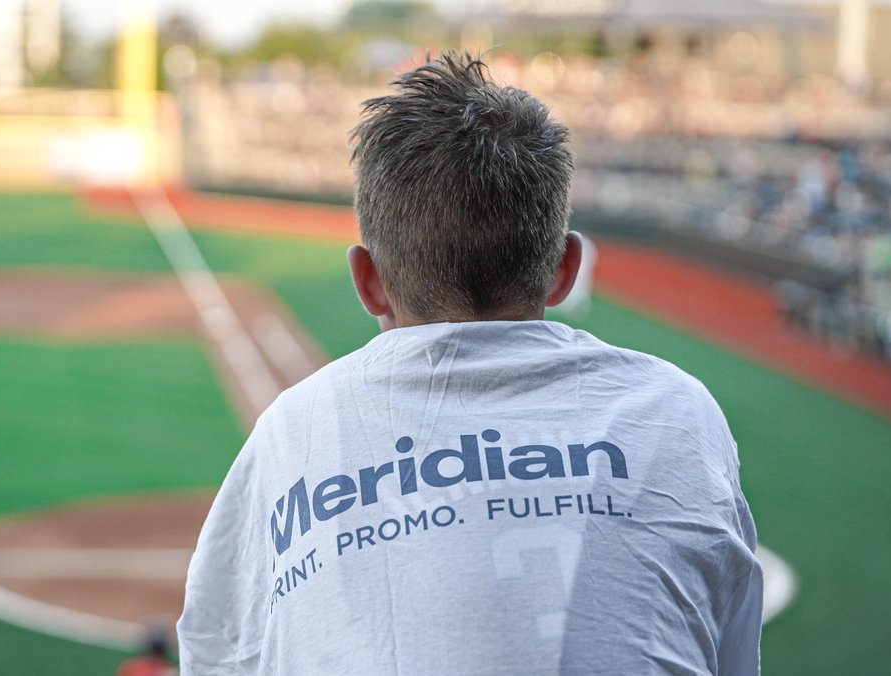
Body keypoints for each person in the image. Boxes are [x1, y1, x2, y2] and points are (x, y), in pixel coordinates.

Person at [178, 53, 762, 675]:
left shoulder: (288, 434)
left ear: (368, 281)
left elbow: (219, 655)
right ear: (564, 269)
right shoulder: (680, 411)